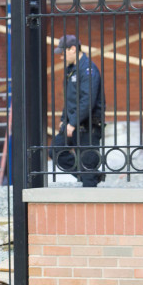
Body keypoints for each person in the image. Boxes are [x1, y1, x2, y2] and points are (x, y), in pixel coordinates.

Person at [49, 35, 105, 187]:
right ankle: (90, 175)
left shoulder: (88, 69)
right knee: (56, 150)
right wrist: (64, 118)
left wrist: (72, 122)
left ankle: (89, 177)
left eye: (63, 52)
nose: (61, 57)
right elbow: (70, 98)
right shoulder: (71, 69)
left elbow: (87, 101)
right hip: (72, 123)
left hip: (88, 126)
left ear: (73, 49)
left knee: (88, 166)